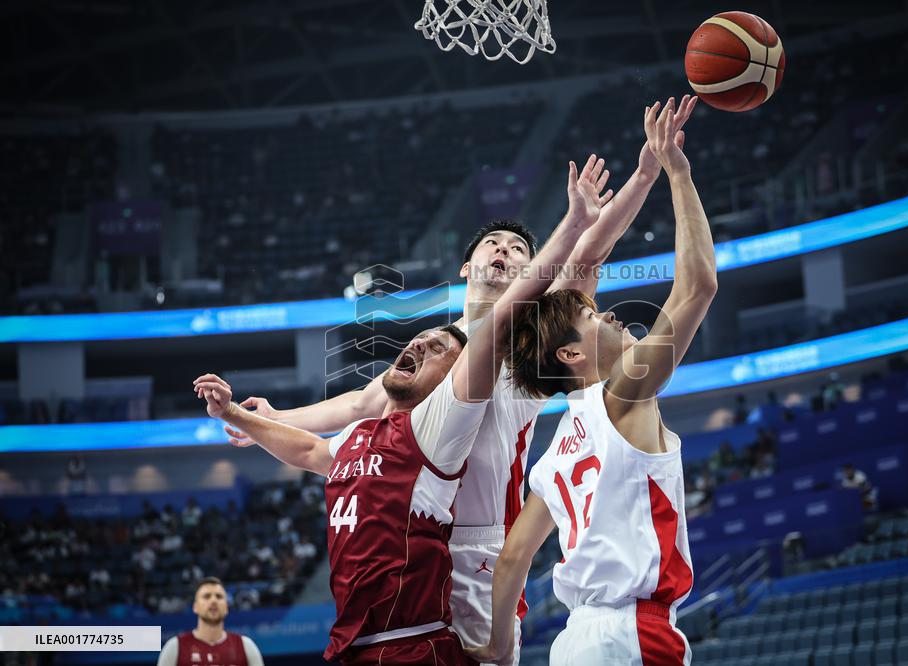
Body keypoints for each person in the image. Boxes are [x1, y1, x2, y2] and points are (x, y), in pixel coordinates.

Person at [220, 132, 663, 661]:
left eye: (519, 249)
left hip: (480, 547)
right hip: (418, 539)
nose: (504, 250)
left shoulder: (528, 344)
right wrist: (274, 415)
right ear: (464, 267)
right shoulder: (437, 349)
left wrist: (644, 177)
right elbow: (362, 405)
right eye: (493, 243)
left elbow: (590, 252)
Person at [468, 95, 712, 666]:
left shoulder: (555, 457)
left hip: (573, 642)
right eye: (594, 316)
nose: (608, 313)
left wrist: (500, 647)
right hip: (635, 634)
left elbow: (513, 560)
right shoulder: (622, 395)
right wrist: (678, 173)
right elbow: (697, 288)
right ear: (573, 352)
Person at [157, 577, 263, 666]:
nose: (213, 600)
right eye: (206, 596)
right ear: (195, 607)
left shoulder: (246, 646)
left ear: (226, 607)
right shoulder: (174, 647)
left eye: (219, 596)